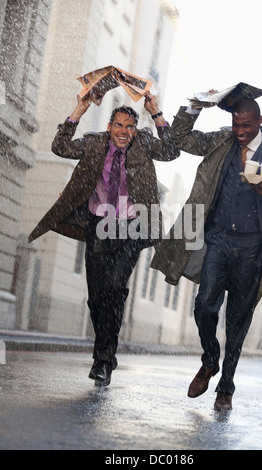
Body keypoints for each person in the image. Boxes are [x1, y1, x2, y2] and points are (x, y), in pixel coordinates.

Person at [151, 95, 262, 411]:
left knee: (237, 320)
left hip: (252, 247)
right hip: (217, 239)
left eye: (246, 125)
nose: (240, 130)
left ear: (259, 121)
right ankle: (209, 360)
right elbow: (178, 140)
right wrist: (192, 109)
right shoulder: (221, 139)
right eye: (236, 124)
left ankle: (226, 387)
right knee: (204, 305)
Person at [28, 92, 180, 387]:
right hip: (99, 225)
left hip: (133, 228)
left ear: (136, 130)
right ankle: (108, 352)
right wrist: (80, 108)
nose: (124, 132)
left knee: (114, 286)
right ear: (110, 126)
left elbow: (172, 151)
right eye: (119, 125)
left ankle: (102, 360)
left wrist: (155, 111)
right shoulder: (94, 143)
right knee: (98, 297)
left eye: (130, 127)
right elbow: (59, 147)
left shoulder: (144, 142)